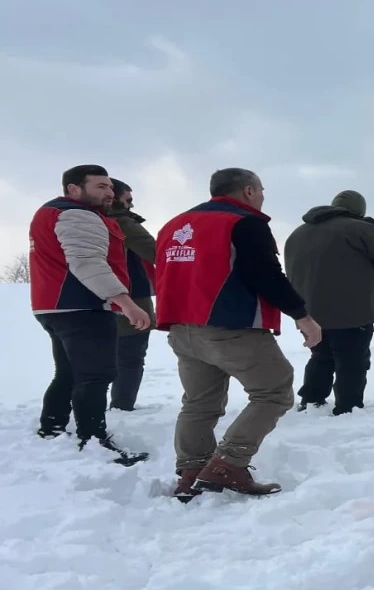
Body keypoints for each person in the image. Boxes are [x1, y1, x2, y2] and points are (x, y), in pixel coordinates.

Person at [154, 168, 322, 501]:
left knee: (199, 403)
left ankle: (191, 471)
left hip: (181, 328)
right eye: (260, 189)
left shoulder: (173, 225)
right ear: (247, 191)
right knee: (274, 391)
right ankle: (228, 464)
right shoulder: (243, 223)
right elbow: (265, 275)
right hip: (230, 326)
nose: (262, 196)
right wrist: (302, 316)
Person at [29, 165, 150, 466]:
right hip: (81, 306)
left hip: (54, 306)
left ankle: (52, 427)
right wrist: (127, 303)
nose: (109, 192)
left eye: (110, 187)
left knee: (69, 371)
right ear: (73, 189)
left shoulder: (50, 212)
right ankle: (94, 441)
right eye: (100, 187)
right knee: (96, 375)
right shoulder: (77, 214)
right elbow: (88, 264)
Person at [284, 190, 374, 415]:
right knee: (352, 361)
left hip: (309, 314)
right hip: (353, 312)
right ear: (359, 211)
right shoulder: (360, 229)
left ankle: (311, 402)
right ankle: (348, 409)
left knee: (321, 357)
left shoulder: (297, 233)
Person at [105, 179, 156, 412]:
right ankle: (121, 408)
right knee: (130, 357)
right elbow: (156, 252)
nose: (131, 206)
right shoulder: (122, 222)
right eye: (128, 200)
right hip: (131, 297)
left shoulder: (87, 220)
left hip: (94, 297)